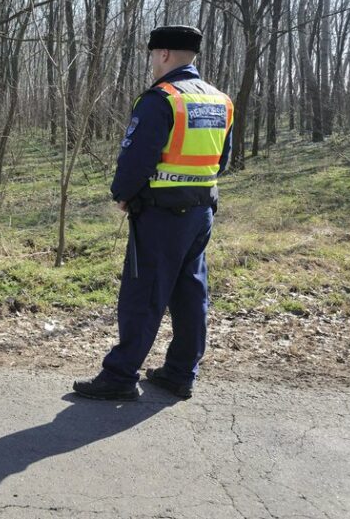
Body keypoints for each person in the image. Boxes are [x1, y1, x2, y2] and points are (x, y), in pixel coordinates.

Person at [73, 26, 233, 401]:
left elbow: (136, 158)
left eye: (151, 55)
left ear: (162, 54)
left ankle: (120, 376)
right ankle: (180, 372)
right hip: (201, 210)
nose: (150, 62)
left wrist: (123, 194)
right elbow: (221, 160)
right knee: (191, 292)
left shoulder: (162, 99)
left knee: (144, 292)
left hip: (162, 215)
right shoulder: (220, 100)